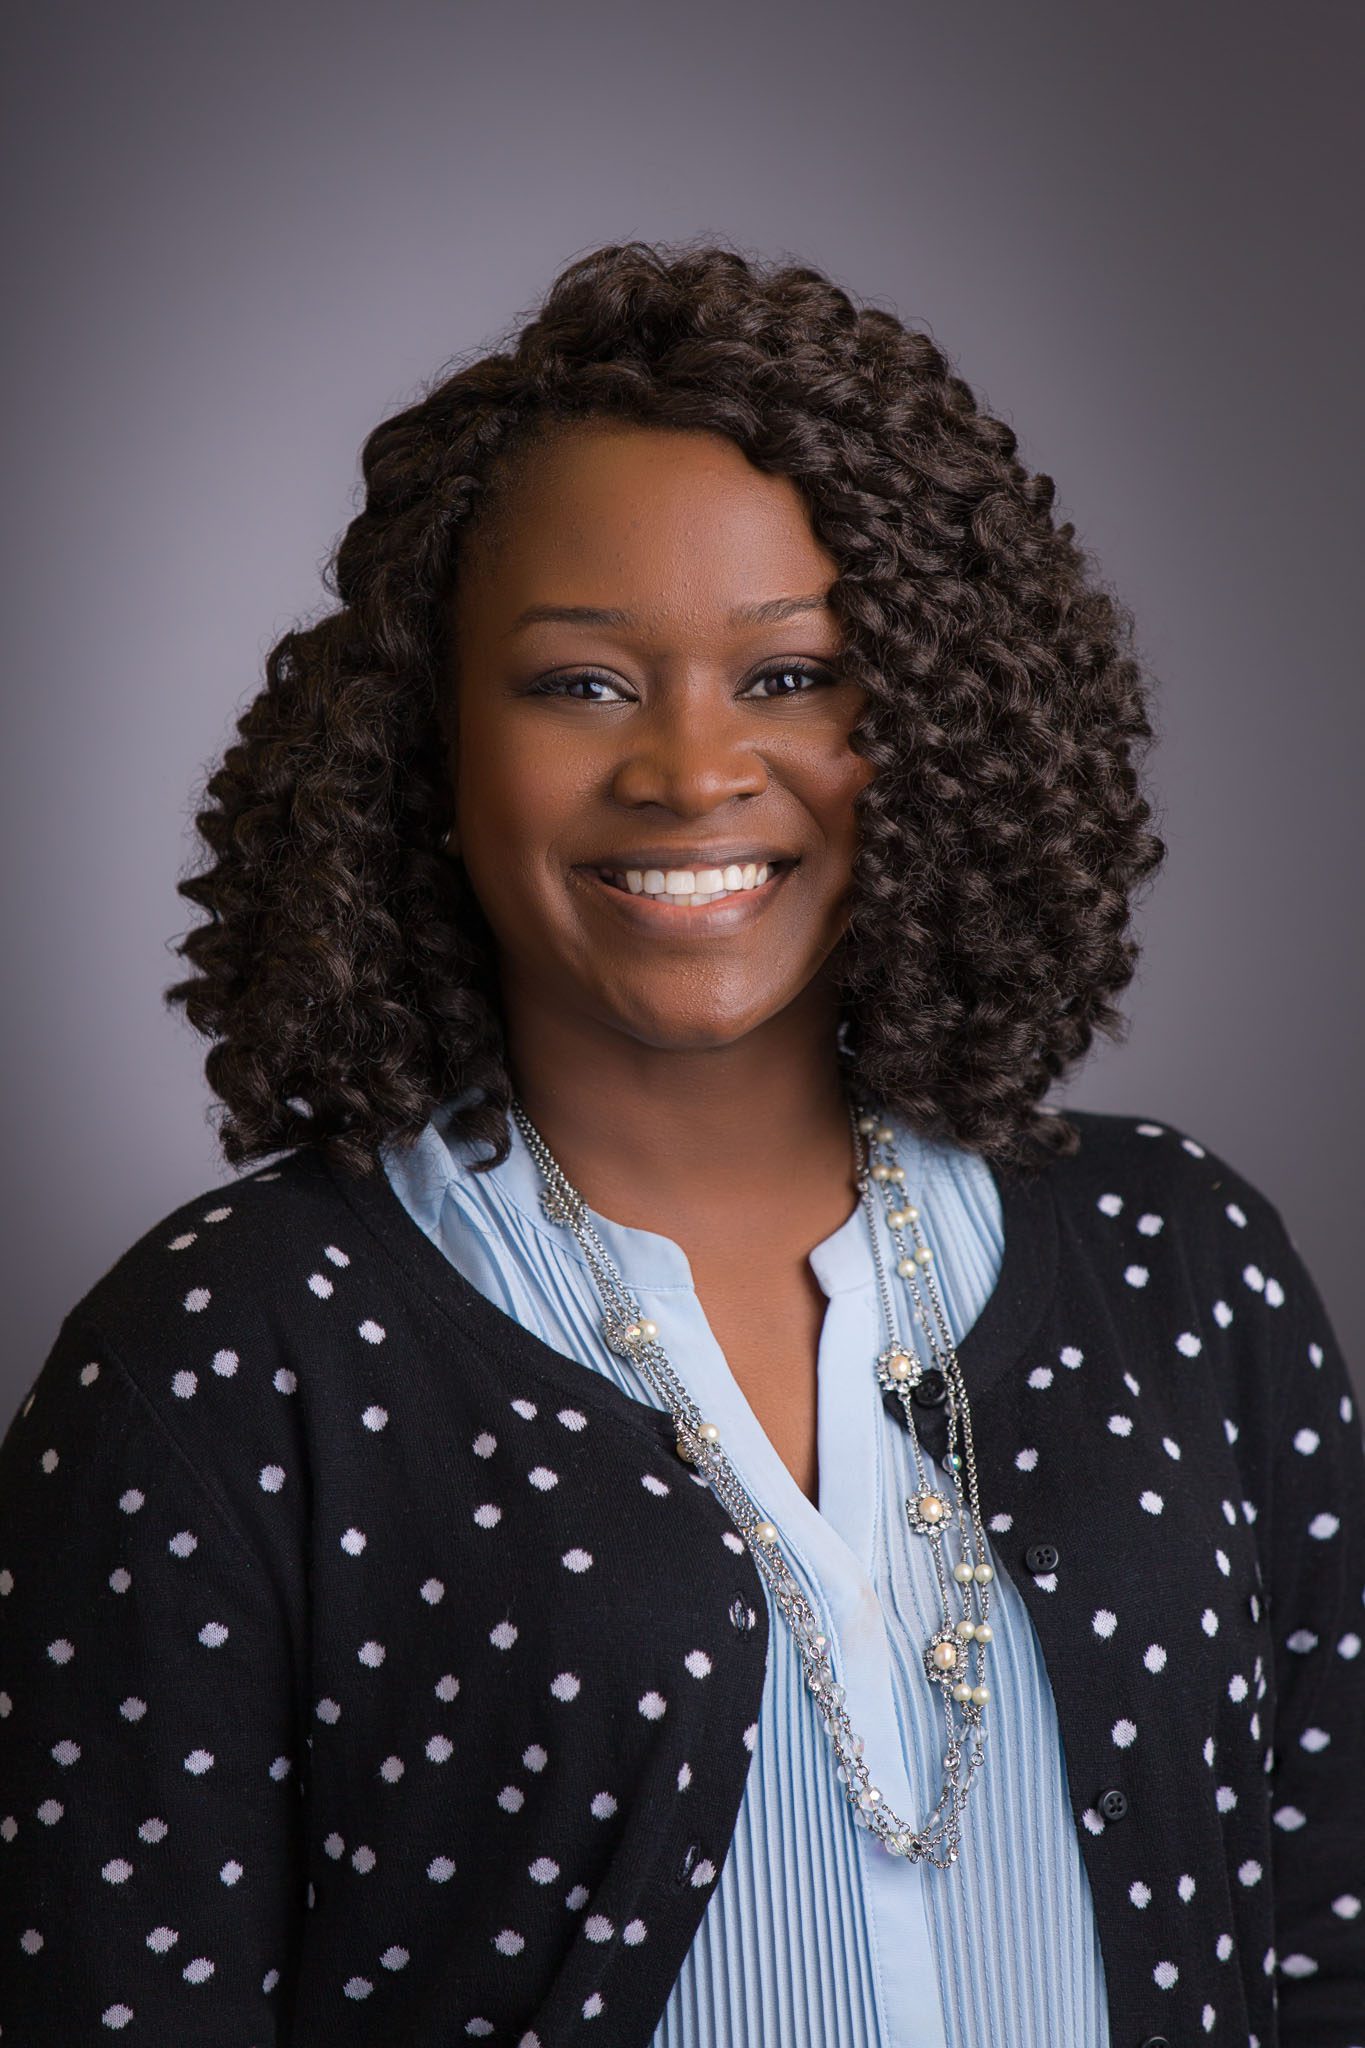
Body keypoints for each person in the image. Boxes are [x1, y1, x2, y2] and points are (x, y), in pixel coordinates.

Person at [1, 240, 1360, 2048]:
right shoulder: (227, 1359)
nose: (690, 769)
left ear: (935, 725)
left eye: (791, 676)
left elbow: (1327, 1941)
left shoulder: (1179, 1260)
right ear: (427, 745)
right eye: (580, 685)